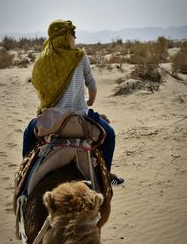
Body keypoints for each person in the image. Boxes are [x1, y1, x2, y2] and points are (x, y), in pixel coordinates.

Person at [23, 19, 124, 186]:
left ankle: (26, 176)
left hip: (51, 120)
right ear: (64, 36)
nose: (75, 38)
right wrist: (89, 101)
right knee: (110, 135)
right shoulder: (79, 57)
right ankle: (106, 176)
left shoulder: (42, 61)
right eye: (73, 34)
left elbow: (38, 85)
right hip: (80, 117)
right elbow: (91, 83)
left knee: (28, 134)